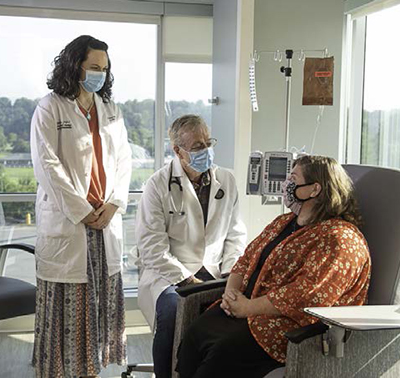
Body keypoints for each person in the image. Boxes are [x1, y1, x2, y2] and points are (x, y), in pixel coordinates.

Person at [176, 155, 371, 378]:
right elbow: (245, 260)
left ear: (314, 189)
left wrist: (247, 307)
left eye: (293, 178)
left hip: (289, 325)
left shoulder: (339, 239)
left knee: (223, 352)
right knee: (195, 334)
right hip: (245, 309)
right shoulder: (284, 222)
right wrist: (231, 295)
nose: (285, 184)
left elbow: (306, 295)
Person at [30, 35, 132, 378]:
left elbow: (124, 162)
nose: (99, 75)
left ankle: (90, 372)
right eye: (93, 67)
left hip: (104, 223)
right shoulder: (50, 107)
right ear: (75, 66)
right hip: (71, 224)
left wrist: (115, 203)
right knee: (66, 312)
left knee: (99, 311)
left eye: (104, 69)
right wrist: (83, 210)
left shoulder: (111, 110)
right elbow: (47, 166)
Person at [136, 114, 247, 378]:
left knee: (237, 316)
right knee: (174, 312)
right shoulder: (158, 185)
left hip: (216, 271)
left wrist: (231, 273)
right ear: (177, 150)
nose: (206, 150)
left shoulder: (227, 180)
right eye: (197, 146)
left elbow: (235, 236)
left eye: (208, 142)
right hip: (170, 275)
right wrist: (187, 280)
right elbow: (152, 248)